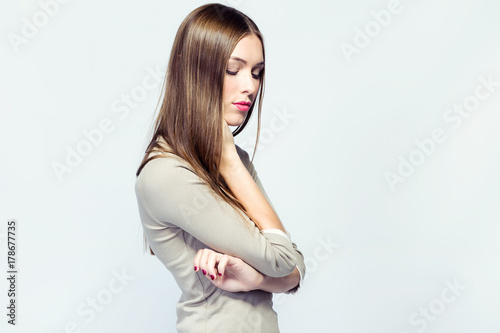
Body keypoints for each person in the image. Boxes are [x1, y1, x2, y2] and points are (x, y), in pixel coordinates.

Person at [134, 3, 305, 332]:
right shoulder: (165, 174)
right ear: (194, 71)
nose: (251, 86)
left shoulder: (235, 159)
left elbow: (294, 267)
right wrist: (229, 161)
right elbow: (283, 260)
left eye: (257, 72)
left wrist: (253, 278)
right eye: (233, 69)